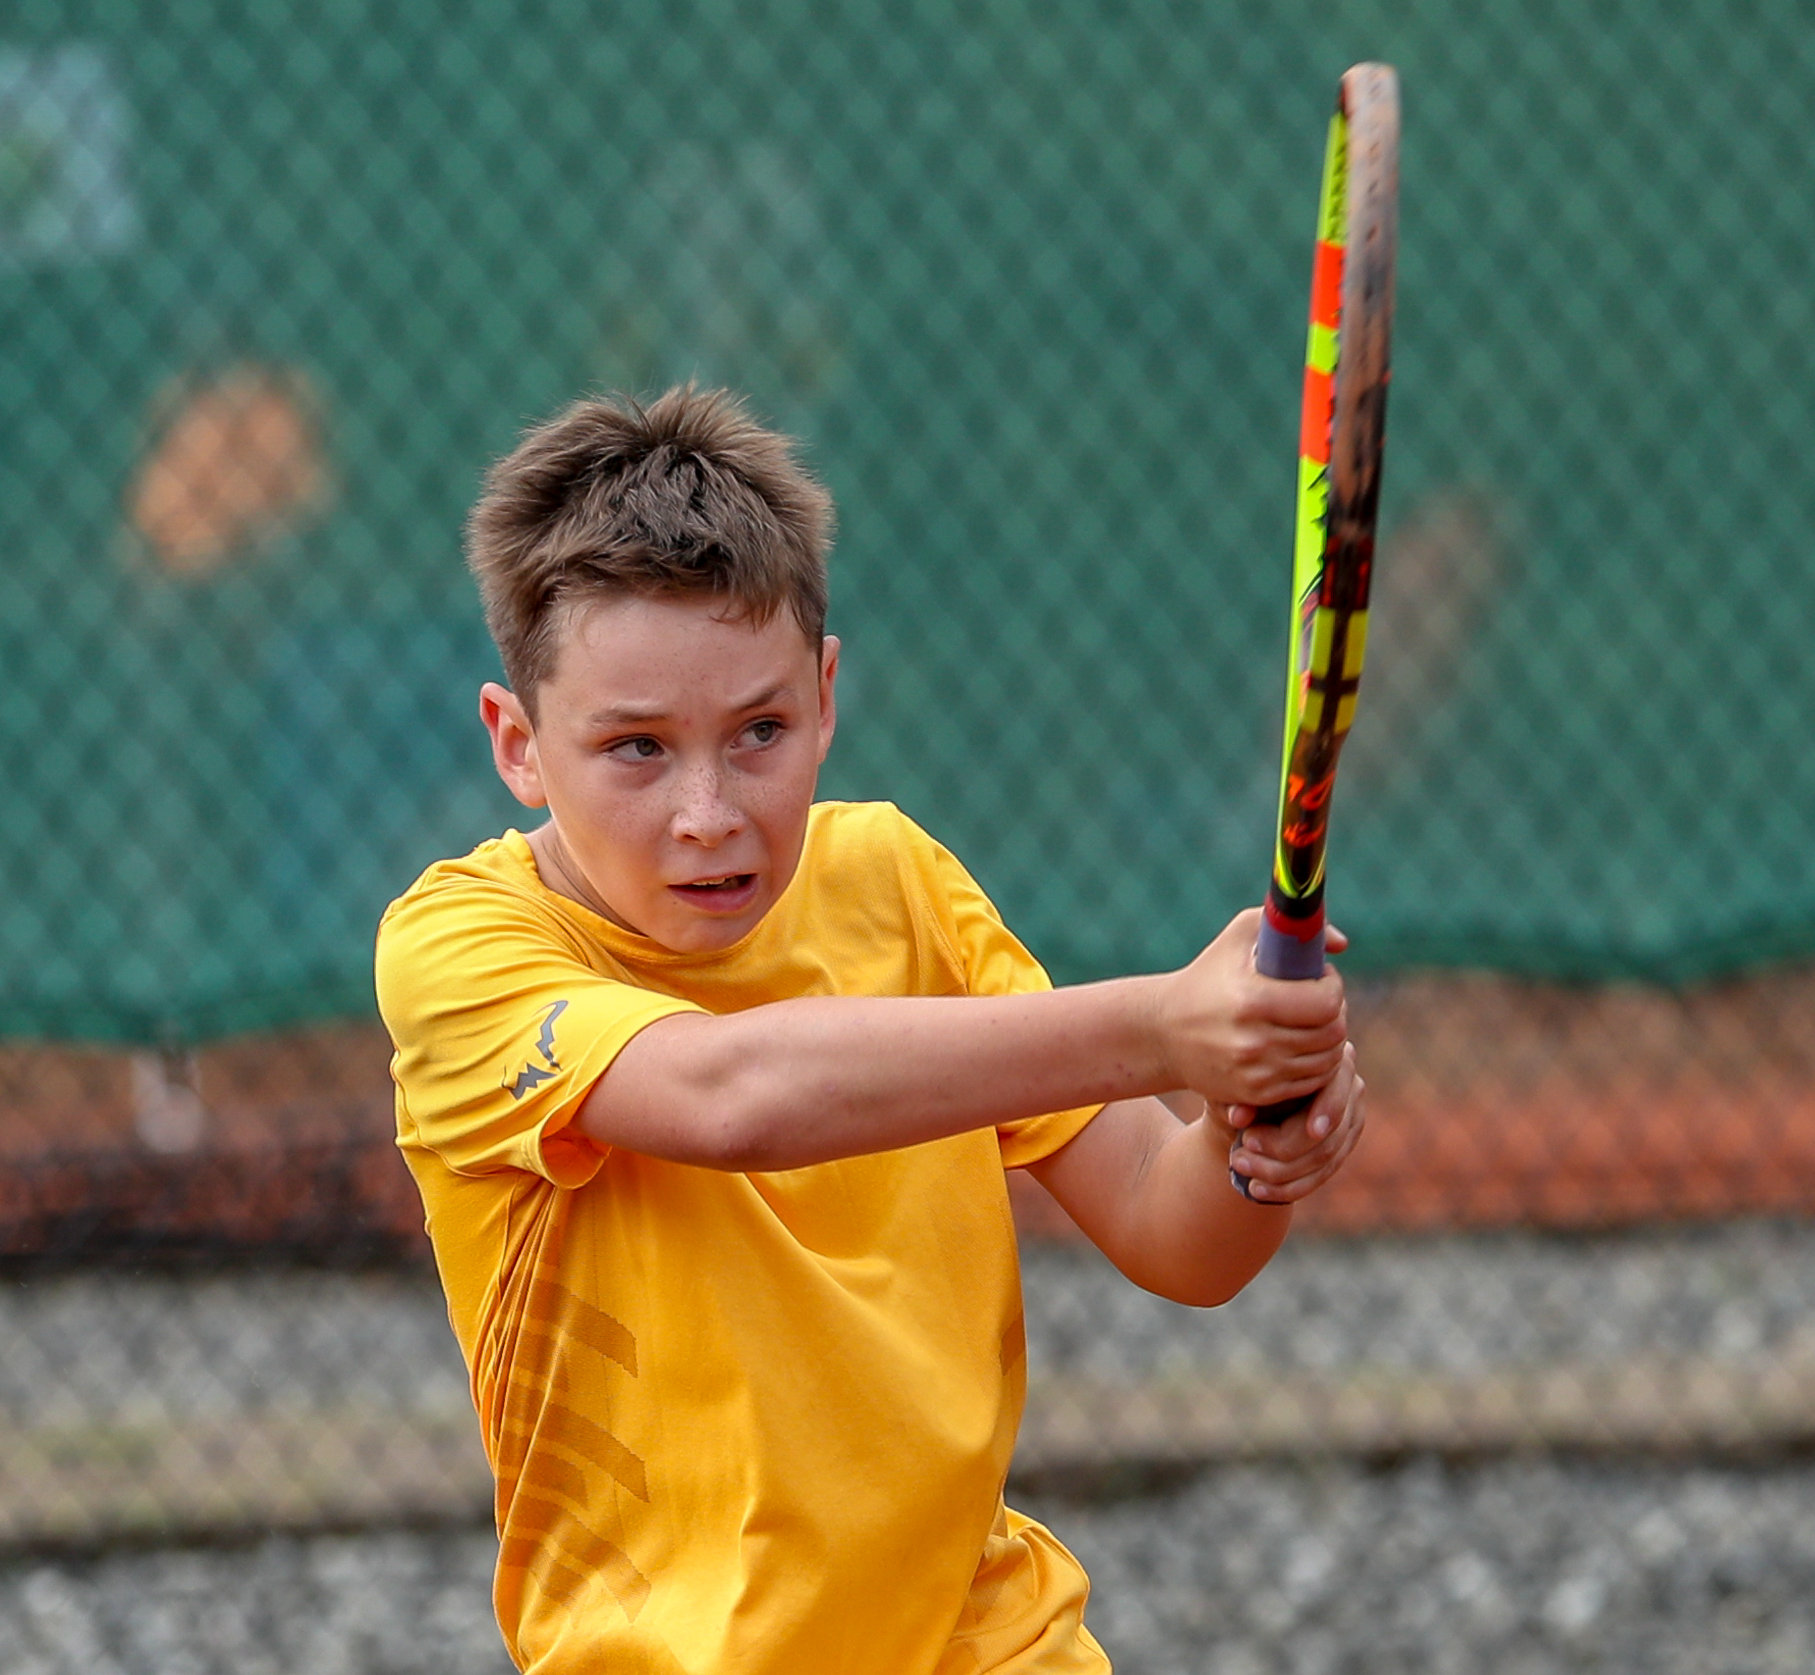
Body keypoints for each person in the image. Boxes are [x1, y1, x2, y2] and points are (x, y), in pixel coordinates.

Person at [374, 388, 1370, 1671]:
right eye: (635, 749)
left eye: (760, 732)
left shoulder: (897, 881)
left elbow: (1174, 1232)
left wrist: (1253, 1135)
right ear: (517, 744)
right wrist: (1163, 1026)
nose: (707, 811)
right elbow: (732, 1097)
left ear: (826, 696)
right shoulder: (458, 949)